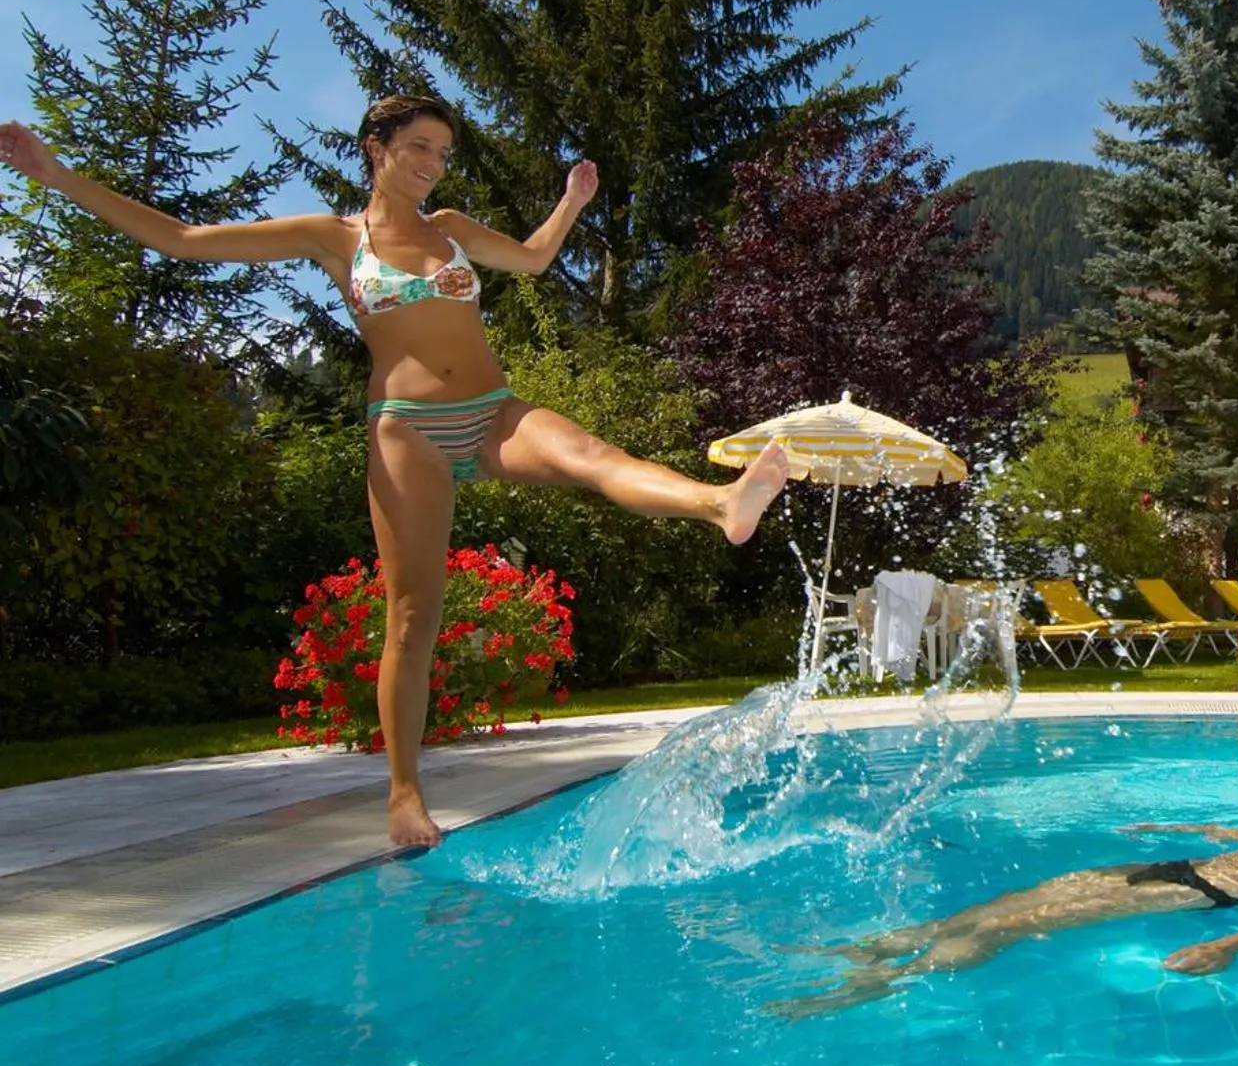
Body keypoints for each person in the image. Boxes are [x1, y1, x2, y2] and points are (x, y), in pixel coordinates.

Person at [0, 96, 790, 849]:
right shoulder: (334, 238)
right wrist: (56, 174)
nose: (433, 164)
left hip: (491, 410)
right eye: (420, 147)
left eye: (443, 153)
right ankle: (404, 789)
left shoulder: (450, 228)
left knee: (592, 456)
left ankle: (721, 504)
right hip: (407, 431)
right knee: (413, 618)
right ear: (376, 149)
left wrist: (572, 202)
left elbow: (535, 259)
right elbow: (181, 238)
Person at [767, 763, 1238, 1018]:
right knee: (1000, 910)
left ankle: (875, 983)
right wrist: (1200, 829)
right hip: (1187, 873)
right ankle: (869, 951)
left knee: (1016, 925)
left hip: (1194, 900)